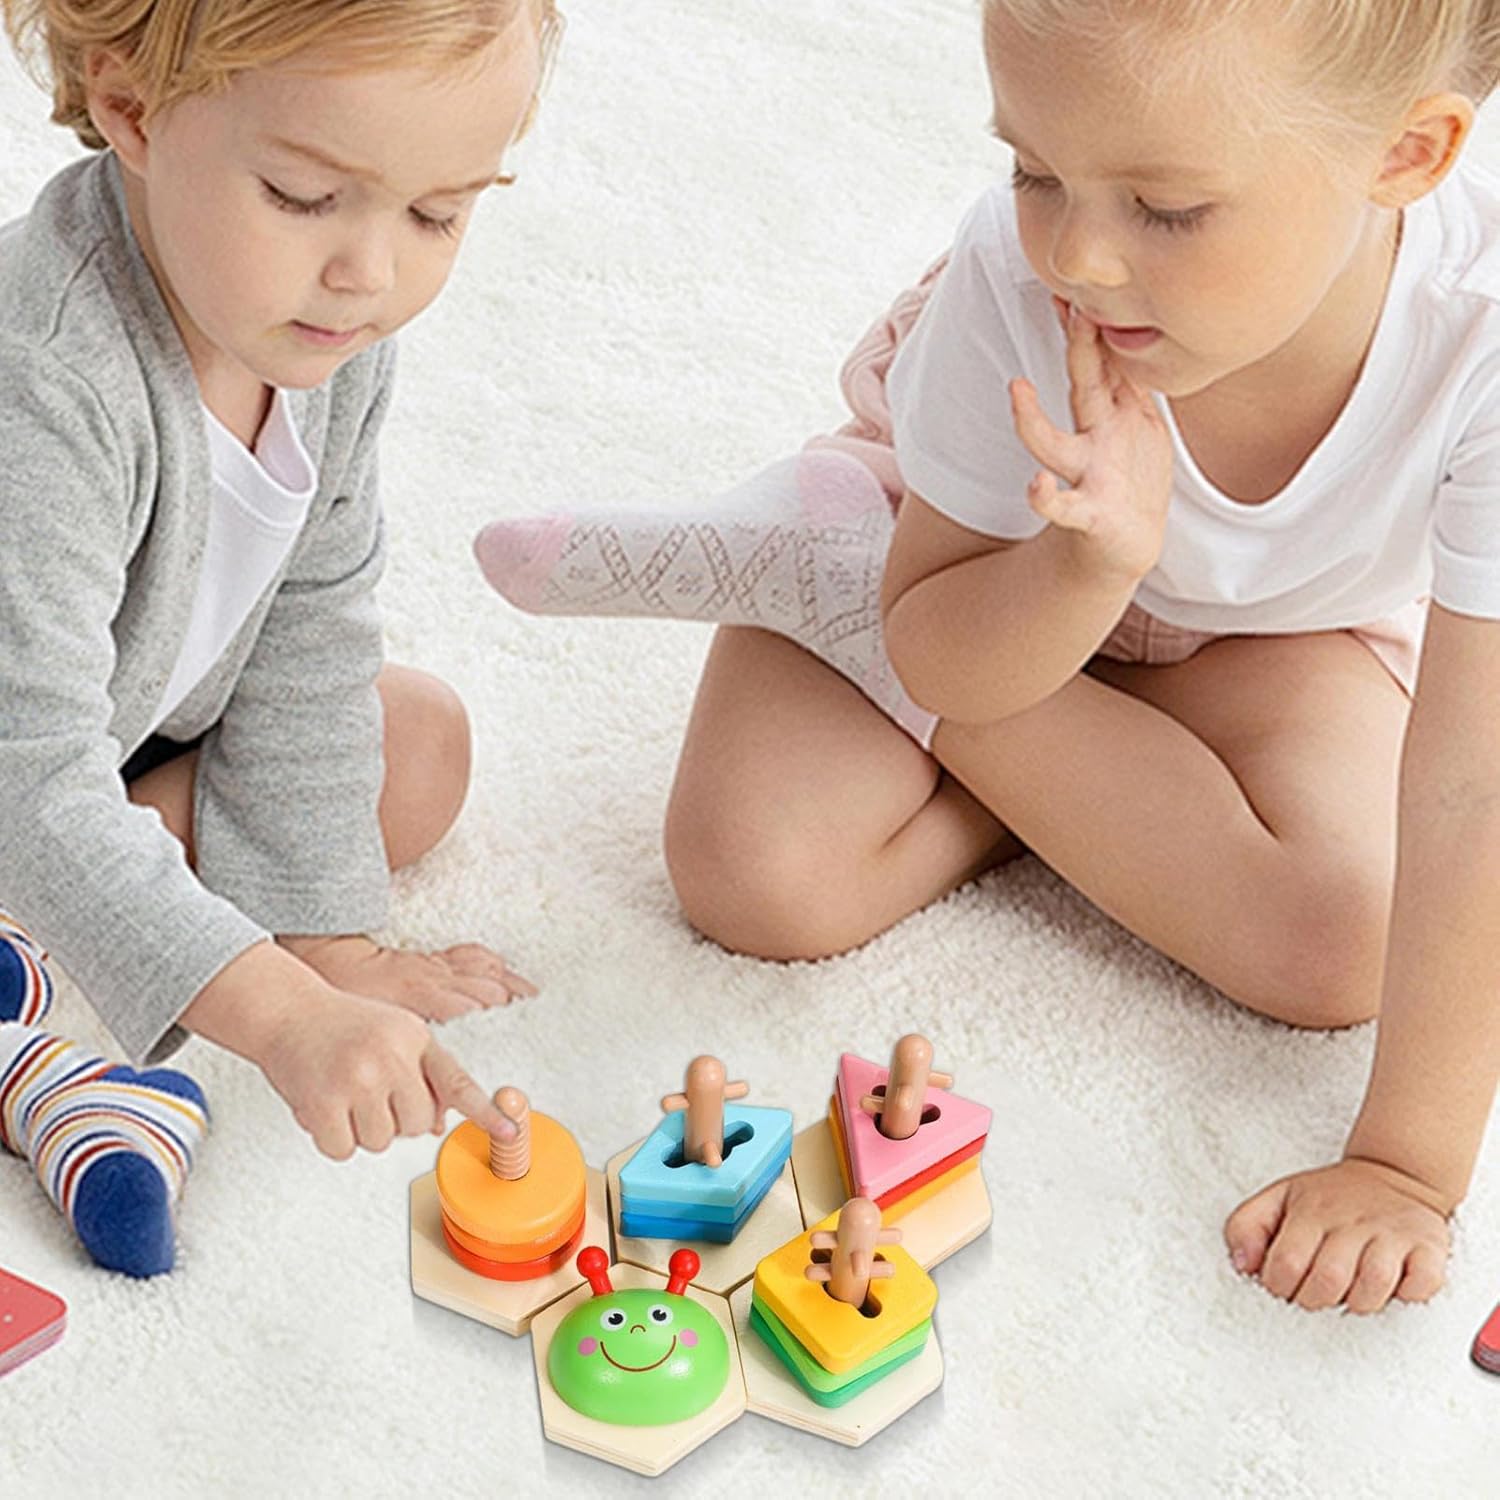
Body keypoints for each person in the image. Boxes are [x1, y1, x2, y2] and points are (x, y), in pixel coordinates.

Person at [476, 0, 1500, 1314]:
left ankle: (816, 586)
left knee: (1340, 944)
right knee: (760, 877)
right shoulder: (1010, 284)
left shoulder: (1480, 335)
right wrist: (1084, 567)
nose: (1078, 256)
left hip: (1278, 633)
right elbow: (947, 656)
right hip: (980, 570)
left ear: (1408, 155)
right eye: (1034, 171)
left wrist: (1408, 1167)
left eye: (1168, 209)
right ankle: (836, 560)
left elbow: (1473, 784)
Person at [0, 0, 559, 1272]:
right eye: (305, 197)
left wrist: (320, 937)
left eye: (437, 214)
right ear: (131, 108)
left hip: (101, 730)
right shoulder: (46, 377)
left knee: (416, 743)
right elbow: (23, 765)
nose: (371, 272)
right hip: (21, 748)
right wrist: (278, 1010)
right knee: (53, 821)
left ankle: (59, 922)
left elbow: (310, 619)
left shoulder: (320, 333)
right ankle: (60, 944)